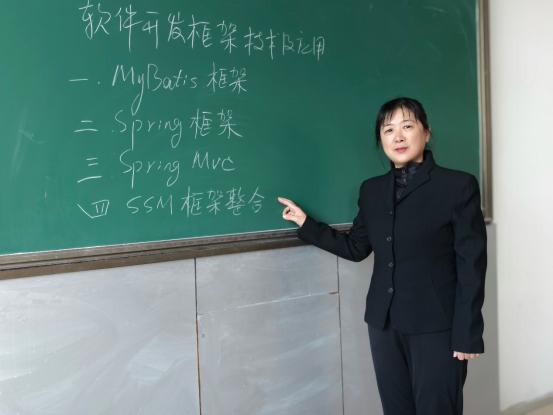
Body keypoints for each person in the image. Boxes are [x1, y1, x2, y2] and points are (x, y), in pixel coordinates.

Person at [277, 97, 487, 415]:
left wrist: (467, 333)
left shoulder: (457, 185)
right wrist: (307, 224)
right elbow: (356, 248)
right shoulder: (372, 190)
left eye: (407, 126)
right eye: (388, 130)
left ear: (426, 132)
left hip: (437, 326)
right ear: (381, 139)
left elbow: (471, 265)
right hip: (384, 323)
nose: (398, 137)